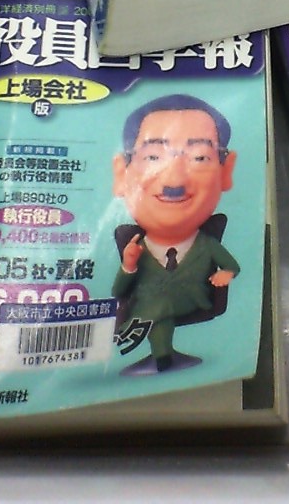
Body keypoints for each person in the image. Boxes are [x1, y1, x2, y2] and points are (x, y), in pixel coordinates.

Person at [111, 93, 239, 373]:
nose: (174, 182)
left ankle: (146, 344)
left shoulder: (206, 244)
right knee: (157, 309)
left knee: (158, 308)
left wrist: (226, 274)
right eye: (153, 157)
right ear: (122, 174)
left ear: (225, 171)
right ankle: (162, 358)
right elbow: (119, 290)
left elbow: (231, 265)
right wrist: (129, 265)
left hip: (191, 298)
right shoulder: (135, 245)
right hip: (151, 303)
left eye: (199, 157)